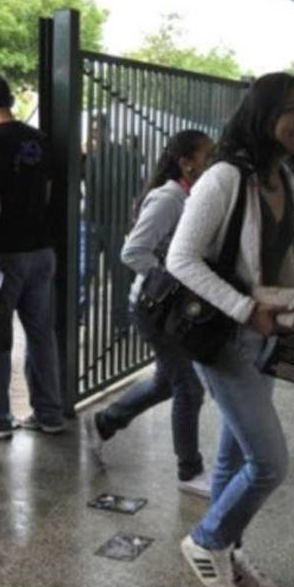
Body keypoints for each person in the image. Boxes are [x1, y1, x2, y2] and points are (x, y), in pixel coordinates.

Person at [167, 73, 294, 587]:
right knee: (270, 463)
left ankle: (227, 553)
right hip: (224, 340)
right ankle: (206, 540)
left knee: (233, 460)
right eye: (291, 112)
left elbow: (289, 265)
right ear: (262, 114)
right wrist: (243, 307)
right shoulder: (224, 179)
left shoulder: (280, 175)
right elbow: (180, 258)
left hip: (268, 338)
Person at [83, 129, 214, 497]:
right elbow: (133, 252)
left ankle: (104, 423)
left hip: (174, 309)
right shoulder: (169, 198)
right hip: (156, 309)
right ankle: (190, 471)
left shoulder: (193, 196)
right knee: (188, 388)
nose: (212, 161)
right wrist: (171, 280)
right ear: (186, 162)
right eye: (207, 154)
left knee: (165, 382)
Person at [0, 72, 65, 435]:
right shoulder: (41, 140)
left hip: (2, 255)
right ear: (10, 100)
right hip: (42, 250)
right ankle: (50, 413)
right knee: (41, 335)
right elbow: (49, 194)